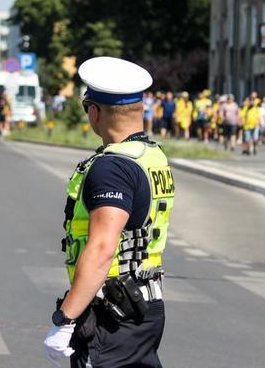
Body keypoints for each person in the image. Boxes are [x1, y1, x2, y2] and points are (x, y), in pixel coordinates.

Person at [44, 57, 174, 368]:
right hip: (144, 304)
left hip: (112, 315)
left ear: (94, 111)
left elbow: (103, 248)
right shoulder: (151, 156)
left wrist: (65, 319)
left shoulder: (112, 168)